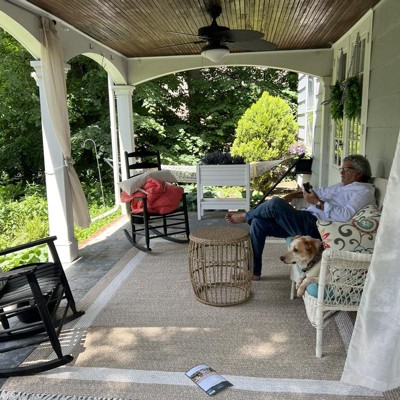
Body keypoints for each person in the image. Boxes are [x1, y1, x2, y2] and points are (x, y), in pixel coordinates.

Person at [225, 155, 376, 280]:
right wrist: (295, 195)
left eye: (346, 169)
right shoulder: (342, 186)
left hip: (315, 225)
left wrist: (317, 202)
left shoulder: (363, 192)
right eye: (341, 168)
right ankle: (253, 272)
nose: (341, 172)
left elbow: (345, 215)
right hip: (305, 217)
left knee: (275, 203)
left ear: (359, 173)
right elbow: (319, 192)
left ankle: (245, 216)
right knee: (258, 223)